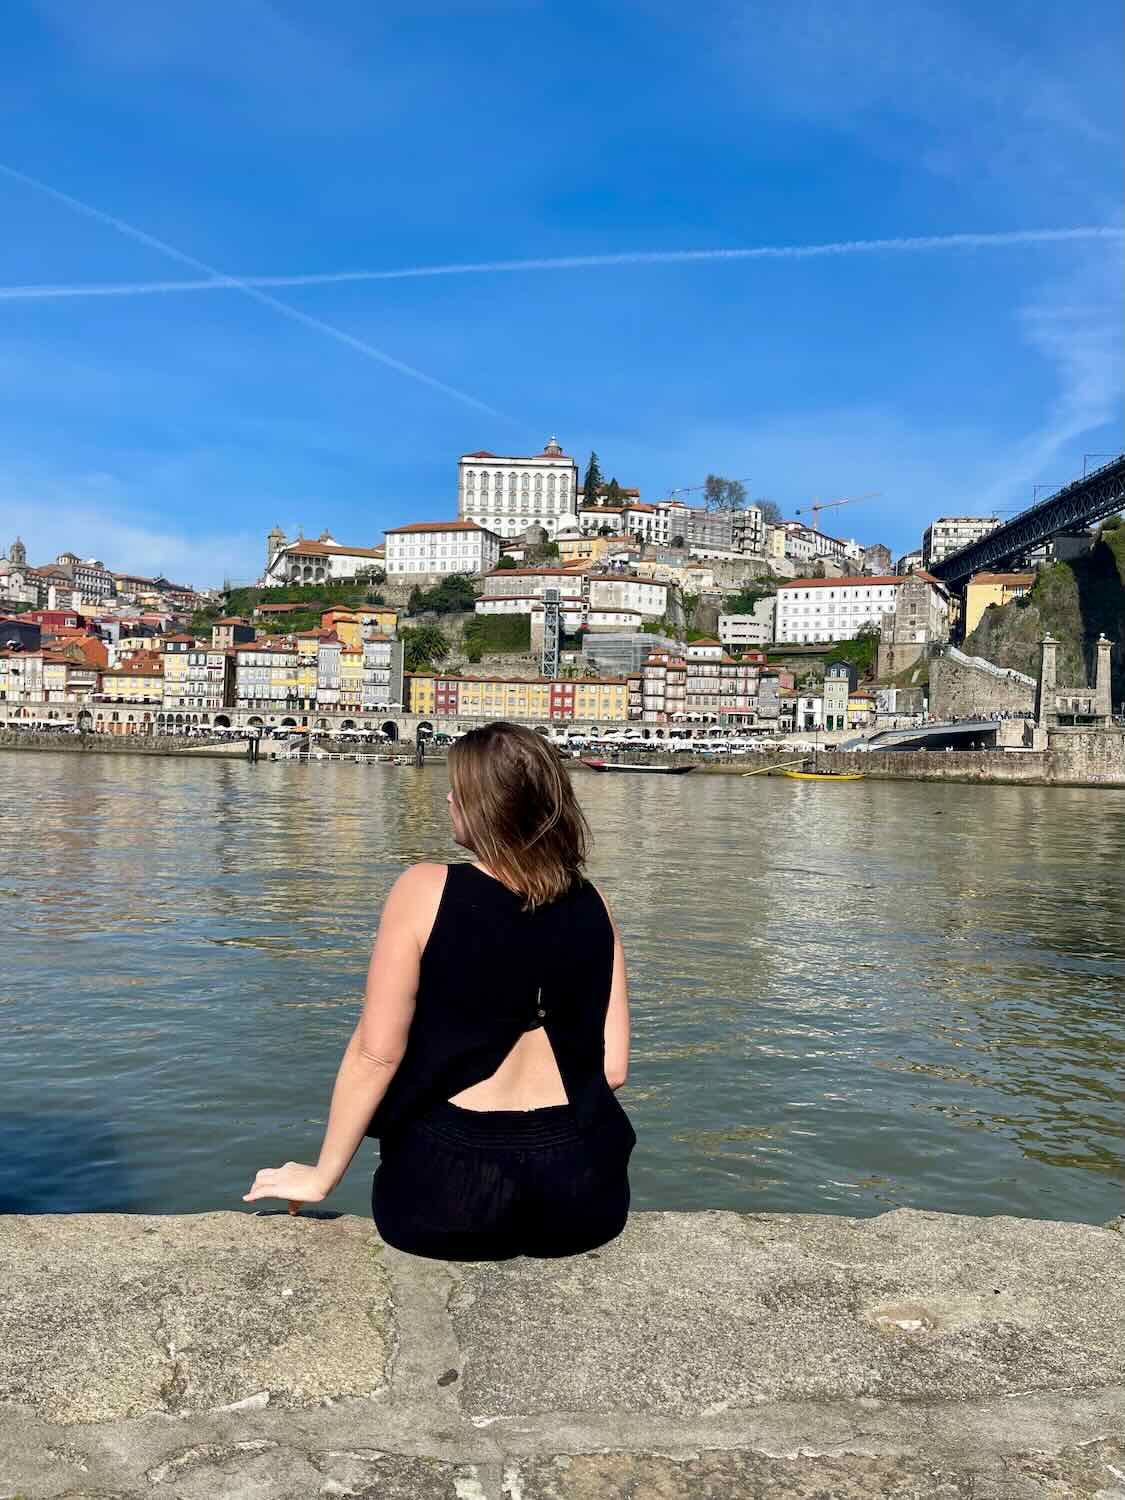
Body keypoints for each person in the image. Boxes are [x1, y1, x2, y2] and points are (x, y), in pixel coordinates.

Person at [243, 720, 637, 1262]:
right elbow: (612, 1068)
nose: (449, 796)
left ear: (486, 807)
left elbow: (375, 1054)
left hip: (448, 1195)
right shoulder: (595, 904)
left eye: (460, 788)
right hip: (583, 1198)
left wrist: (321, 1176)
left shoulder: (424, 889)